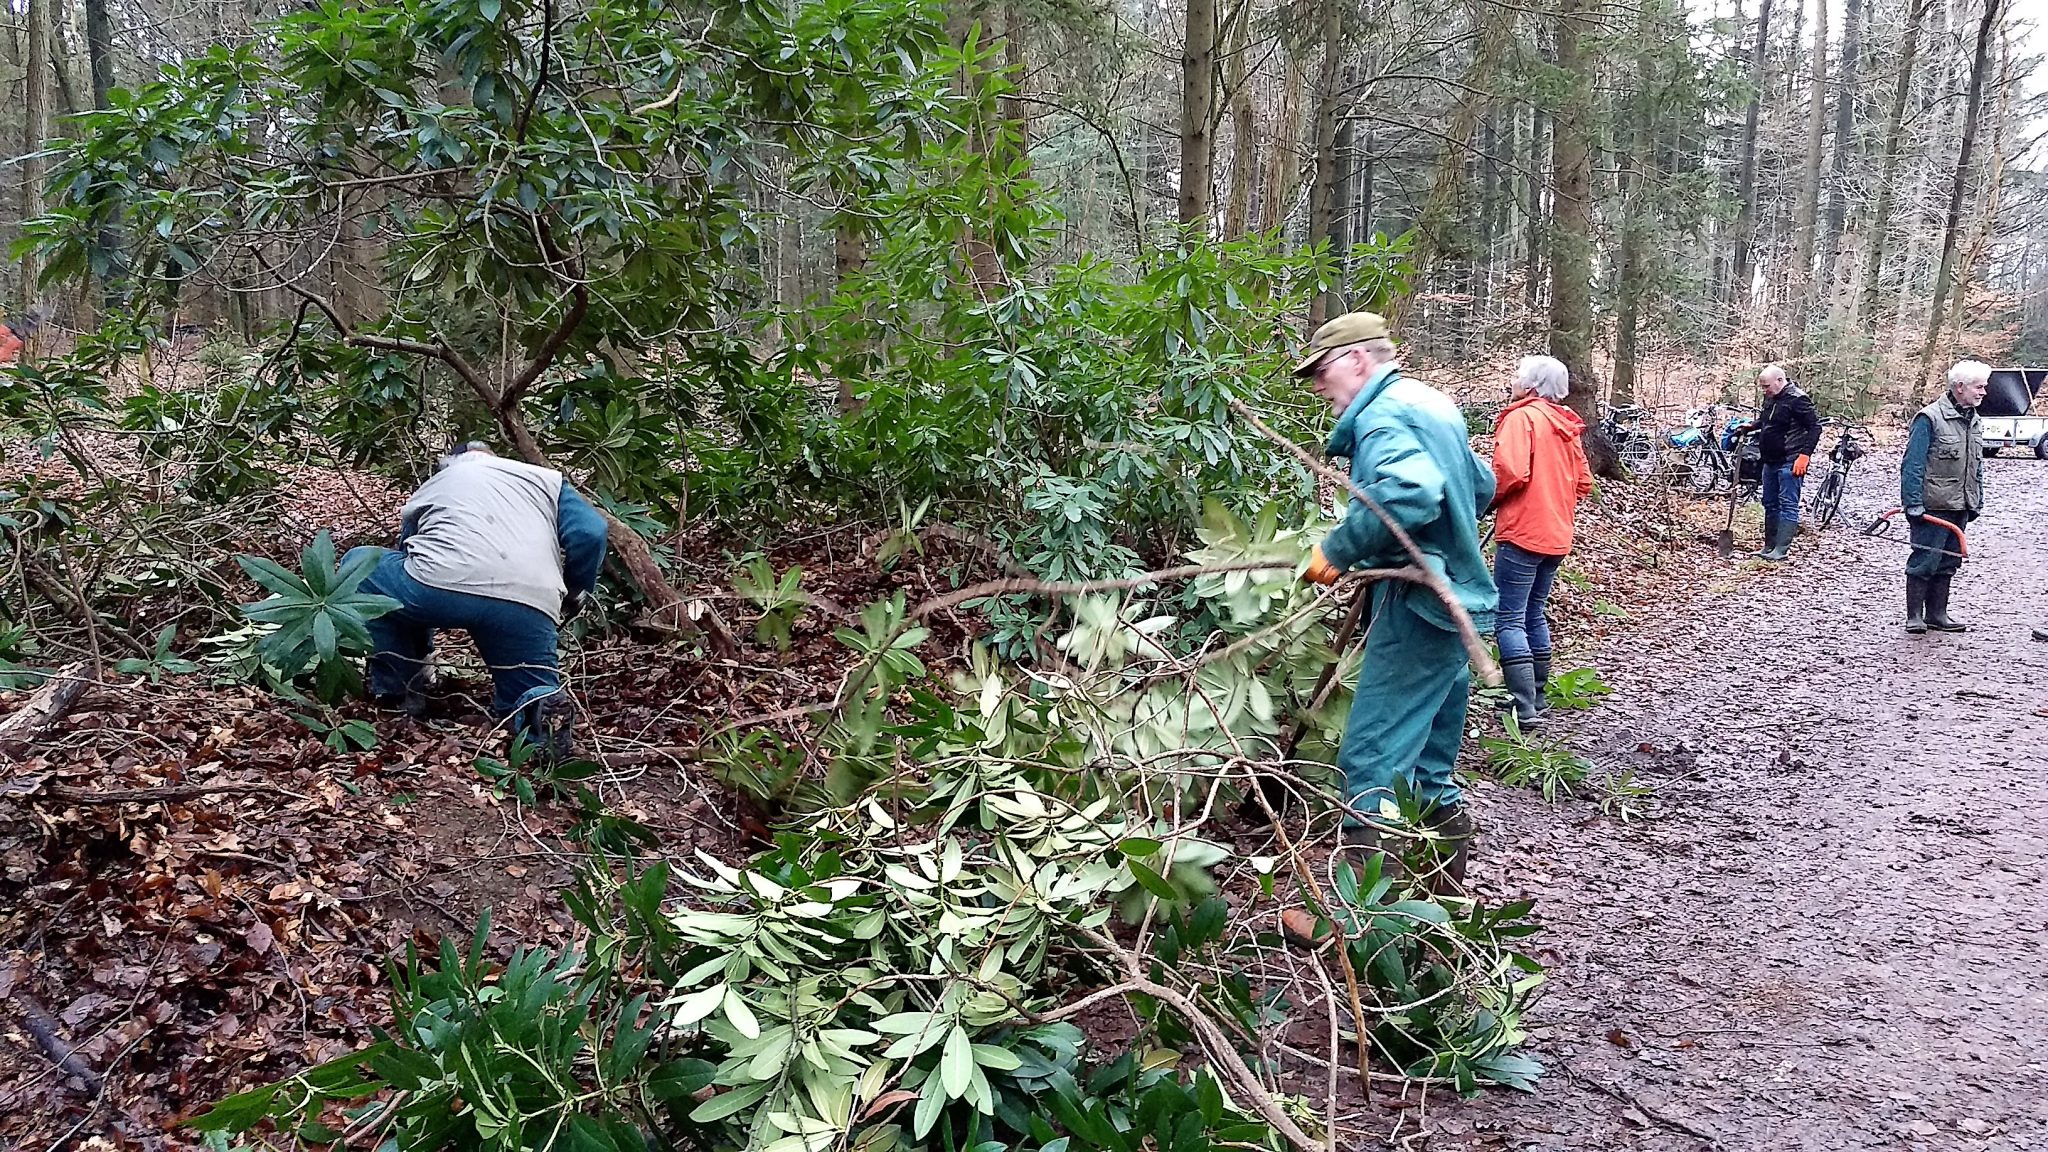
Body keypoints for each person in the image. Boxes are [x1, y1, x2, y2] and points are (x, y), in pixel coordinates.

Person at [1291, 311, 1497, 894]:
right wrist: (1443, 541)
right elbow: (1481, 486)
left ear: (1357, 359)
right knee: (1429, 766)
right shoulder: (1432, 404)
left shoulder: (1382, 415)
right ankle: (1440, 902)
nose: (1318, 386)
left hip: (1419, 606)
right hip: (1456, 604)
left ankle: (1360, 918)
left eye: (1322, 372)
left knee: (1372, 756)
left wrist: (1339, 549)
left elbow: (1411, 490)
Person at [343, 442, 609, 757]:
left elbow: (409, 553)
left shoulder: (442, 480)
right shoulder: (543, 479)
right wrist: (577, 588)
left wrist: (423, 650)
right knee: (531, 687)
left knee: (363, 565)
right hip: (529, 598)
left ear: (451, 461)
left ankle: (400, 690)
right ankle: (539, 717)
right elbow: (591, 532)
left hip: (439, 585)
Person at [1488, 355, 1594, 729]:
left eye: (1517, 376)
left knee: (1509, 618)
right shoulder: (1566, 425)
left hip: (1523, 532)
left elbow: (1509, 472)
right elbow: (1584, 483)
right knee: (1533, 612)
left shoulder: (1522, 418)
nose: (1512, 381)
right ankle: (1536, 696)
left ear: (1531, 386)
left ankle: (1523, 707)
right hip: (1556, 535)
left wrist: (1488, 501)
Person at [1899, 361, 1988, 634]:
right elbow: (1912, 464)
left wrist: (1977, 500)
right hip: (1932, 506)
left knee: (1948, 562)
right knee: (1924, 560)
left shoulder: (1974, 420)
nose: (1984, 392)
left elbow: (1976, 465)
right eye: (1979, 387)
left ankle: (1937, 614)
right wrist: (1912, 503)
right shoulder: (1929, 418)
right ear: (1960, 387)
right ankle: (1914, 616)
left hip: (1961, 504)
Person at [1733, 364, 1821, 562]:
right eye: (1762, 387)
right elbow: (1767, 421)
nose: (1765, 391)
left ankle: (1781, 550)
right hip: (1769, 460)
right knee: (1770, 503)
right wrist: (1751, 426)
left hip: (1791, 460)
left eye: (1767, 386)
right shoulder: (1771, 398)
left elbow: (1815, 427)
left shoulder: (1798, 399)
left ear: (1780, 381)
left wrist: (1805, 455)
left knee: (1788, 504)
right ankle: (1769, 546)